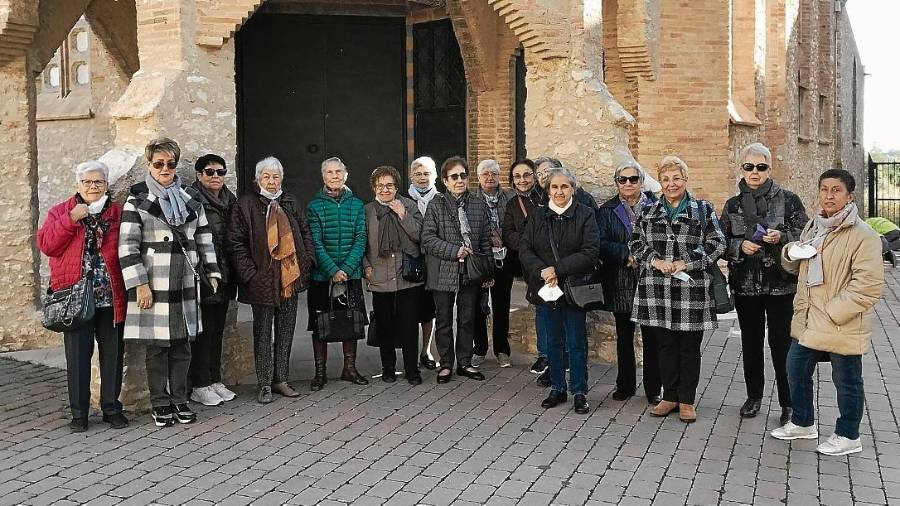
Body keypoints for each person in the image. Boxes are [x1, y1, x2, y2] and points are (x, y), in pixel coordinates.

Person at [770, 169, 883, 456]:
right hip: (808, 319)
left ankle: (848, 435)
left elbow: (867, 287)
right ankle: (803, 422)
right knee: (795, 370)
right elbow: (798, 267)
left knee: (846, 381)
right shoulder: (815, 226)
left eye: (836, 190)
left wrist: (833, 312)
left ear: (849, 196)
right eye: (824, 189)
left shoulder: (864, 236)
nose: (829, 195)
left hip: (839, 322)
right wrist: (790, 253)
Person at [119, 138, 221, 427]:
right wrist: (139, 284)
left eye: (171, 163)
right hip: (154, 281)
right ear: (149, 165)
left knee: (182, 345)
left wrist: (212, 272)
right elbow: (127, 245)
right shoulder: (136, 199)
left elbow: (203, 237)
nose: (165, 169)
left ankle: (180, 399)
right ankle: (160, 403)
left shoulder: (190, 198)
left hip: (185, 278)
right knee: (157, 347)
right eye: (159, 164)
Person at [629, 156, 725, 423]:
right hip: (656, 289)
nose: (671, 184)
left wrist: (687, 261)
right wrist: (655, 260)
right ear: (660, 182)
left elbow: (717, 244)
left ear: (685, 180)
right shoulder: (647, 211)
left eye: (676, 178)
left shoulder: (702, 209)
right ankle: (669, 396)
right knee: (665, 347)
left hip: (690, 290)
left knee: (689, 349)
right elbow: (635, 243)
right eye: (666, 179)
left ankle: (687, 400)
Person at [719, 143, 809, 425]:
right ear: (742, 169)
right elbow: (720, 241)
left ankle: (788, 403)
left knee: (782, 345)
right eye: (749, 167)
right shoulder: (733, 205)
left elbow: (804, 236)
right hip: (746, 285)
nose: (754, 172)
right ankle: (754, 396)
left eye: (761, 167)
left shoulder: (789, 199)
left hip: (781, 285)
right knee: (751, 343)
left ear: (770, 169)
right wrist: (738, 246)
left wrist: (780, 237)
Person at [37, 161, 128, 432]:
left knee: (112, 355)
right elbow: (47, 245)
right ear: (78, 185)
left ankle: (111, 408)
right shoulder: (61, 212)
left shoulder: (118, 213)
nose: (92, 187)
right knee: (77, 358)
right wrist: (71, 219)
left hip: (110, 297)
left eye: (98, 182)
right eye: (87, 182)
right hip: (74, 299)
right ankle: (79, 414)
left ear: (106, 185)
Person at [227, 156, 315, 403]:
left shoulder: (289, 201)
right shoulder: (246, 205)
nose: (272, 181)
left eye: (276, 177)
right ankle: (264, 383)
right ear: (258, 179)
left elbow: (305, 230)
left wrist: (306, 260)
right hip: (261, 280)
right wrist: (249, 275)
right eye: (266, 176)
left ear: (282, 179)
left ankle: (282, 380)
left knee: (286, 330)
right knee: (263, 333)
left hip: (289, 278)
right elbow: (235, 243)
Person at [519, 166, 600, 414]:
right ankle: (557, 388)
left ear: (572, 189)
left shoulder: (585, 214)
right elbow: (525, 248)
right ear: (548, 190)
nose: (559, 191)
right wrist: (543, 271)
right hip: (547, 288)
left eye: (564, 186)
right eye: (554, 187)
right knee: (552, 341)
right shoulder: (538, 215)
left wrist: (557, 269)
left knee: (576, 343)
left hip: (573, 289)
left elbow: (590, 251)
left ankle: (579, 391)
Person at [421, 156, 493, 383]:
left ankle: (464, 362)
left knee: (467, 319)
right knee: (443, 319)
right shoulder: (436, 204)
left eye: (463, 175)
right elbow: (428, 239)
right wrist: (454, 251)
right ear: (445, 180)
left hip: (471, 272)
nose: (459, 180)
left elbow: (485, 241)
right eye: (454, 177)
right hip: (443, 270)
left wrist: (488, 272)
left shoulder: (478, 204)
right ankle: (445, 364)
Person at [596, 161, 661, 405]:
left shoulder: (656, 207)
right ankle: (625, 385)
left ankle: (654, 388)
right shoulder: (607, 211)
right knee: (624, 337)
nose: (628, 184)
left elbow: (665, 239)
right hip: (621, 280)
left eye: (633, 179)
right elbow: (600, 243)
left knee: (652, 337)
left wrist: (644, 257)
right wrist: (626, 254)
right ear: (616, 183)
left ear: (641, 181)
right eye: (622, 180)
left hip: (650, 280)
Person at [306, 157, 369, 390]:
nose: (334, 175)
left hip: (350, 275)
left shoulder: (357, 205)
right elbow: (315, 242)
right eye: (329, 172)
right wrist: (332, 270)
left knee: (351, 321)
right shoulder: (314, 206)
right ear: (323, 177)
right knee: (319, 323)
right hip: (323, 277)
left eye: (338, 171)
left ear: (346, 174)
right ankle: (319, 372)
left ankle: (349, 369)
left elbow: (361, 238)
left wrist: (347, 269)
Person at [363, 166, 424, 385]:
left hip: (406, 276)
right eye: (380, 185)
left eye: (389, 185)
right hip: (379, 276)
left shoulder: (408, 204)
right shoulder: (367, 210)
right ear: (374, 187)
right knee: (385, 325)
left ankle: (411, 369)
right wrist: (365, 267)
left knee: (409, 325)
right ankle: (388, 367)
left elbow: (419, 235)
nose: (385, 189)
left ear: (396, 186)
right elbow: (361, 243)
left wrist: (402, 215)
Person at [188, 154, 239, 406]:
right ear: (199, 175)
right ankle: (199, 383)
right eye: (209, 172)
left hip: (226, 272)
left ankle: (214, 378)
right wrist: (207, 270)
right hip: (204, 273)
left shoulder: (230, 200)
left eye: (220, 172)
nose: (216, 176)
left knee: (219, 329)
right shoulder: (192, 200)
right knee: (203, 331)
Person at [501, 159, 547, 377]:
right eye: (517, 176)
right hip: (532, 265)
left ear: (535, 175)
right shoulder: (511, 205)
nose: (522, 180)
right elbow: (509, 234)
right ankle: (544, 354)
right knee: (540, 309)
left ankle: (563, 352)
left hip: (554, 263)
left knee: (560, 307)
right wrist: (528, 249)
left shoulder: (546, 196)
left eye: (527, 175)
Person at [472, 159, 516, 368]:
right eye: (485, 174)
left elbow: (516, 226)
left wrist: (503, 239)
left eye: (494, 174)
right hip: (480, 259)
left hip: (504, 259)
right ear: (478, 178)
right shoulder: (471, 198)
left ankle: (502, 350)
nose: (490, 178)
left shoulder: (510, 197)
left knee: (501, 305)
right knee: (478, 307)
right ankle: (479, 348)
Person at [406, 156, 440, 370]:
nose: (422, 177)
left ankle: (425, 351)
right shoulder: (402, 200)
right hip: (409, 261)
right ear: (411, 176)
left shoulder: (442, 199)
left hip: (434, 262)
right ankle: (408, 354)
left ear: (434, 176)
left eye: (426, 173)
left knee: (429, 311)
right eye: (418, 173)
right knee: (409, 309)